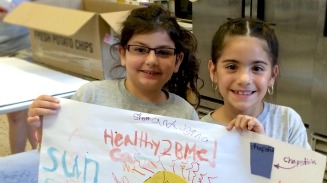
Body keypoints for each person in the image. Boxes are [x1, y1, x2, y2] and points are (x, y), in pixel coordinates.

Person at [27, 4, 202, 144]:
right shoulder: (90, 97)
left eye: (163, 52)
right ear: (123, 54)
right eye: (140, 49)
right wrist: (45, 128)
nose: (151, 60)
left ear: (177, 61)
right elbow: (58, 158)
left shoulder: (185, 114)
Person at [201, 18, 310, 149]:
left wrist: (260, 147)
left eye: (257, 68)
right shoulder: (199, 133)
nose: (244, 79)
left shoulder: (287, 122)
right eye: (231, 66)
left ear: (272, 75)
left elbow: (301, 169)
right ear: (213, 71)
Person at [1, 0, 38, 154]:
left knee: (30, 107)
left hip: (27, 43)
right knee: (16, 113)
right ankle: (18, 168)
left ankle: (40, 158)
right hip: (2, 50)